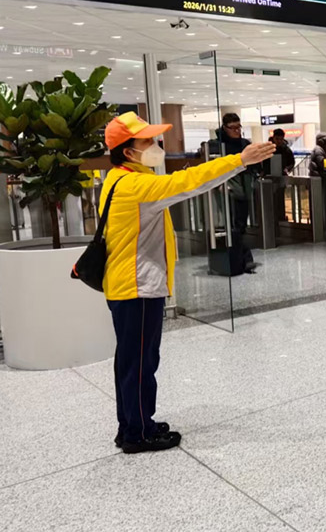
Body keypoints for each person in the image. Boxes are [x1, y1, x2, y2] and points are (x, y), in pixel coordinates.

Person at [102, 112, 274, 453]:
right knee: (139, 362)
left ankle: (135, 423)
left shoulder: (121, 178)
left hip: (129, 284)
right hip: (137, 287)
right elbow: (189, 182)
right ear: (128, 151)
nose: (155, 145)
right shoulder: (136, 186)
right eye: (147, 141)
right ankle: (137, 434)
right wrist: (239, 160)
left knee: (133, 359)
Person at [212, 113, 258, 272]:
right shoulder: (217, 145)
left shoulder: (245, 144)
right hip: (228, 190)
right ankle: (244, 259)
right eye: (233, 128)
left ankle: (240, 259)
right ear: (225, 128)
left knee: (240, 226)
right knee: (234, 226)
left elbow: (254, 165)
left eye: (239, 127)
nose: (237, 131)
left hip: (244, 188)